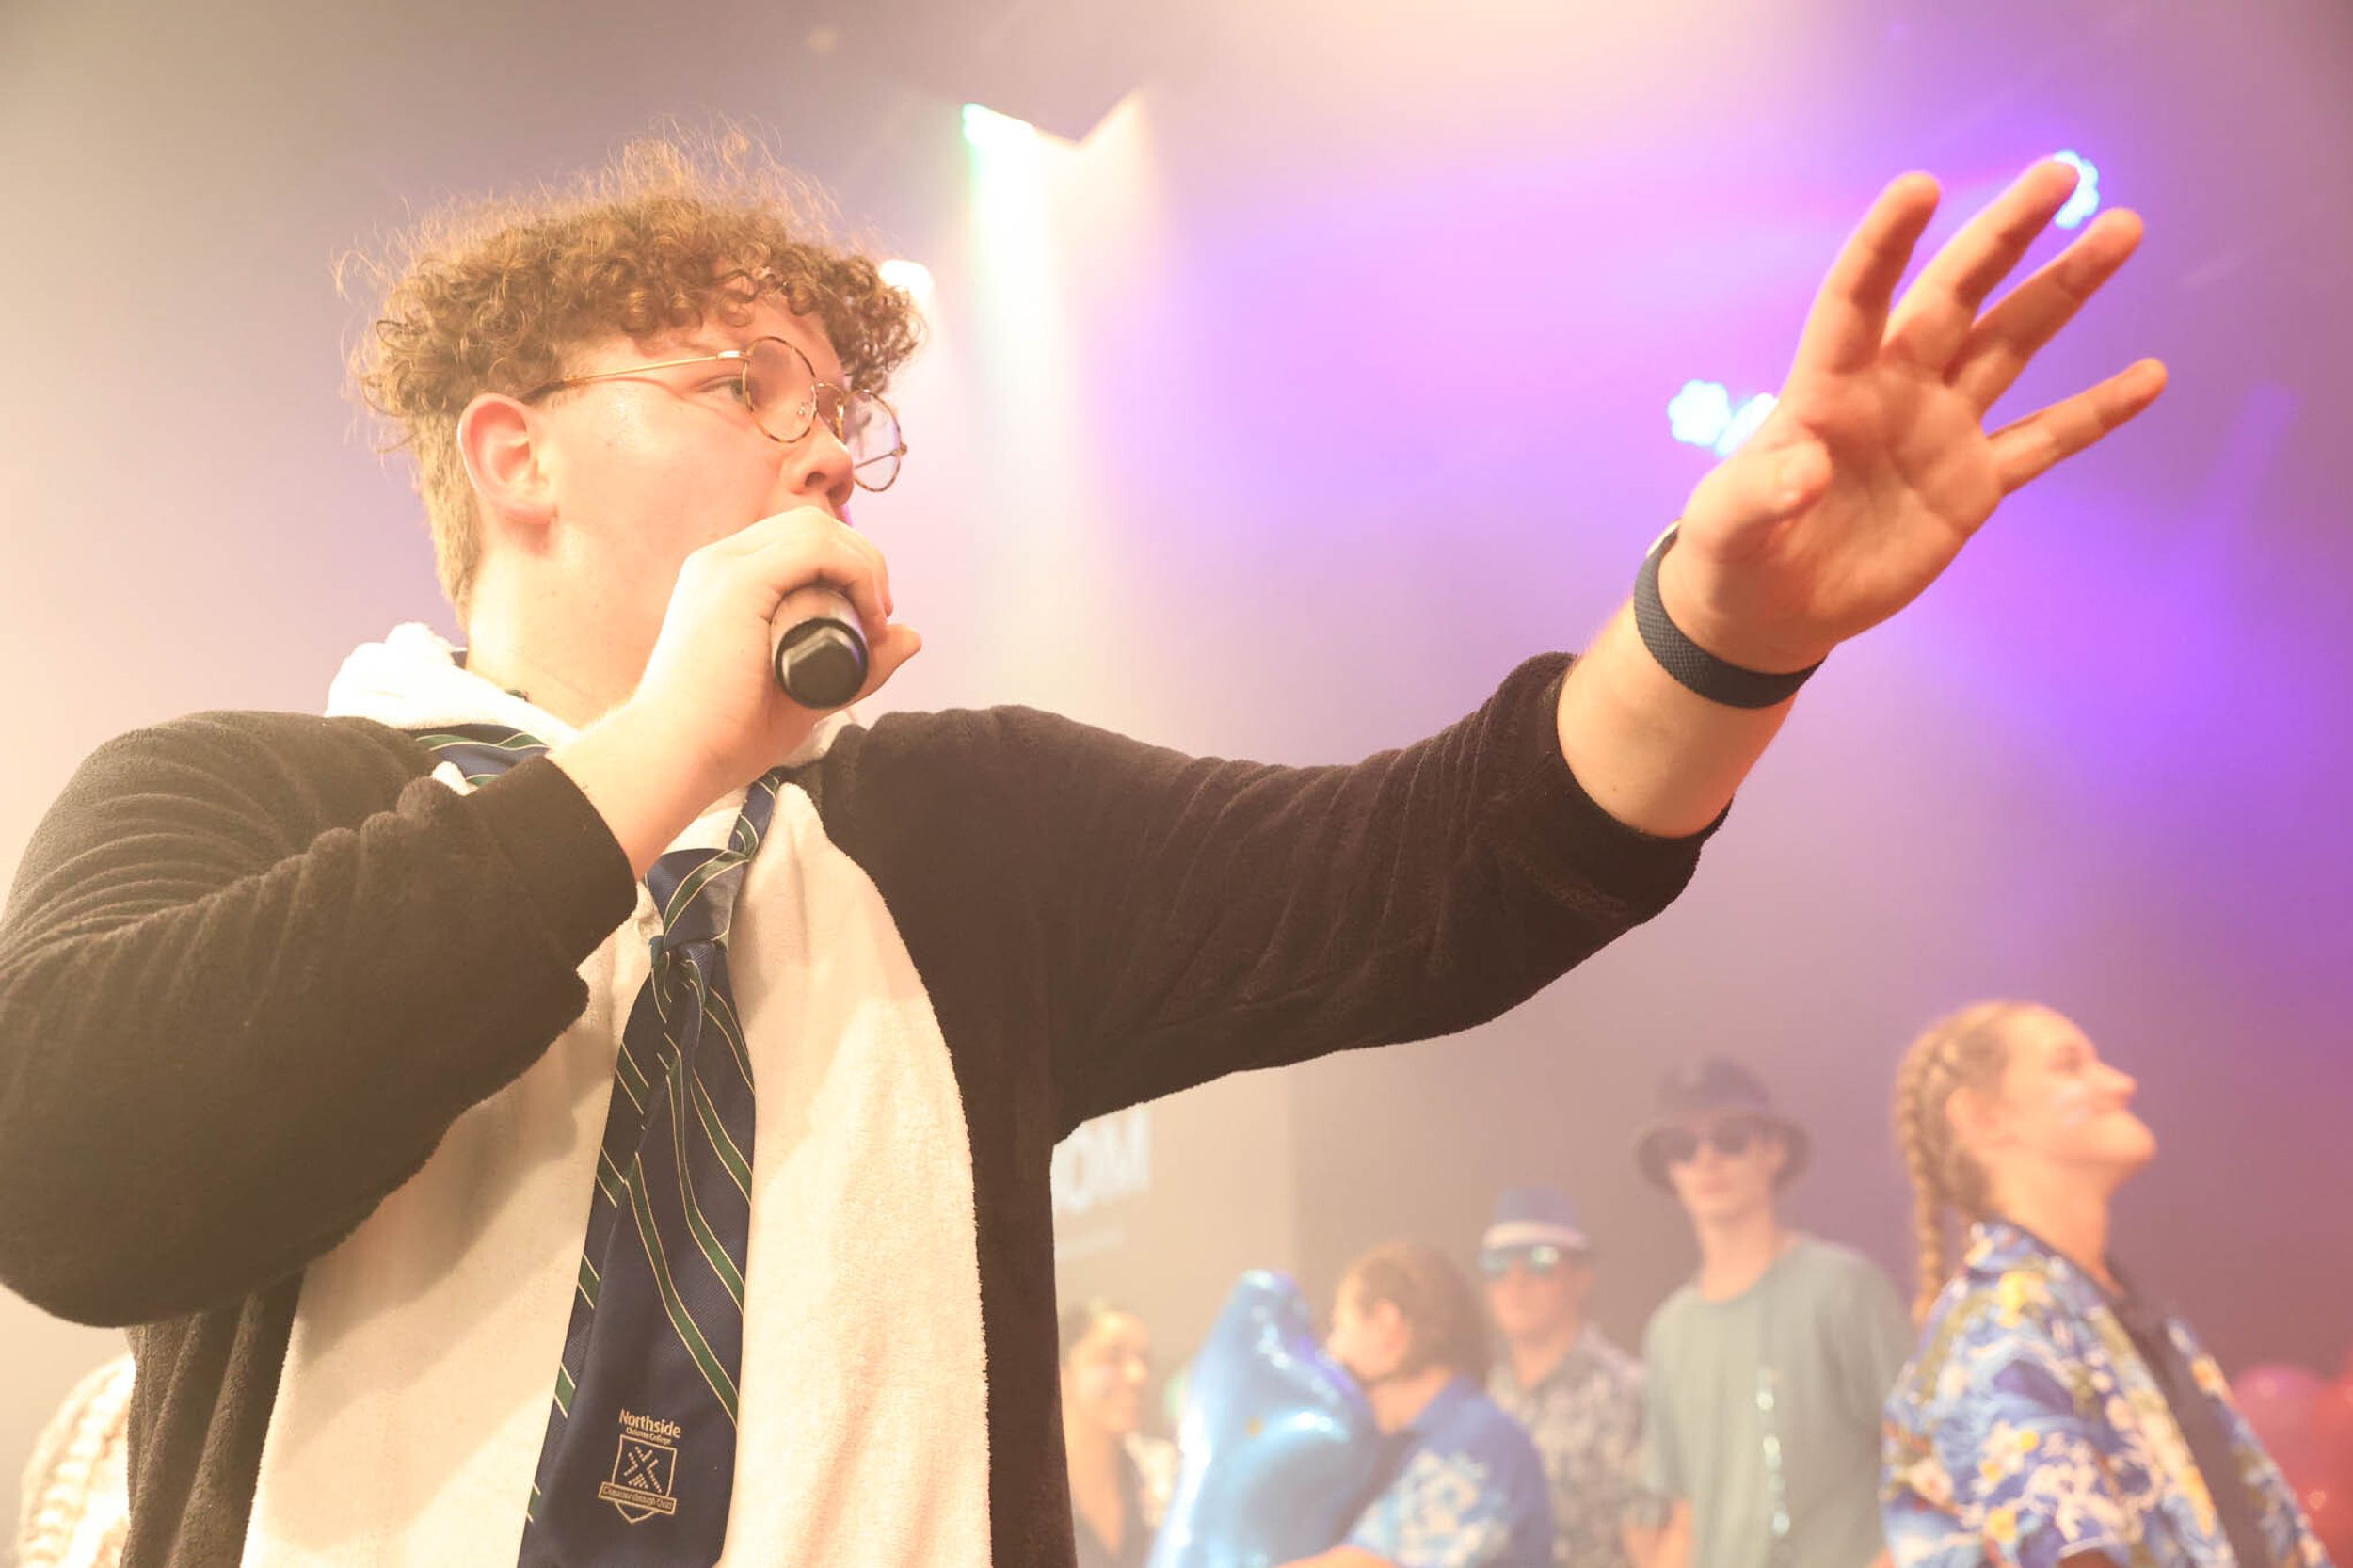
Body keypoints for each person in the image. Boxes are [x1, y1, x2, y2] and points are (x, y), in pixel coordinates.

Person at [0, 121, 2162, 1568]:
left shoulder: (959, 839)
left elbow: (1438, 869)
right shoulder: (238, 797)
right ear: (516, 455)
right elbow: (70, 1170)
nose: (822, 446)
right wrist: (657, 752)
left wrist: (1723, 630)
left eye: (844, 415)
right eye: (742, 385)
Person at [1881, 1001, 2334, 1568]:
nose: (2122, 1084)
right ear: (1983, 1118)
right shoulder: (1999, 1323)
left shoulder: (2118, 1310)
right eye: (2069, 1065)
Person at [1626, 1059, 1912, 1568]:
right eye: (1682, 1146)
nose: (1707, 1158)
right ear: (1670, 1171)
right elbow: (1684, 1517)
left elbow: (1927, 1460)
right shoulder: (1667, 1332)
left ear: (1773, 1149)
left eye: (1731, 1138)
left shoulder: (1843, 1288)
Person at [1288, 1241, 1554, 1568]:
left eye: (1340, 1327)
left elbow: (1371, 1563)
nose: (1332, 1351)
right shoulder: (1398, 1449)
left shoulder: (1485, 1443)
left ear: (1387, 1326)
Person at [1480, 1187, 1644, 1568]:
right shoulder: (1481, 1397)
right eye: (1497, 1264)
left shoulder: (1627, 1392)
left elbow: (1653, 1544)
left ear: (1581, 1278)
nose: (1516, 1280)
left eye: (1541, 1261)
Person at [1060, 1300, 1166, 1568]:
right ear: (1061, 1373)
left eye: (1144, 1359)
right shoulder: (1027, 1493)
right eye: (1112, 1357)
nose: (1138, 1375)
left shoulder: (1164, 1478)